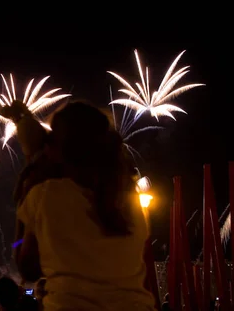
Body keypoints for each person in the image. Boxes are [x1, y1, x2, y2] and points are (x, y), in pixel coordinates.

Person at [10, 101, 156, 310]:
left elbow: (28, 268)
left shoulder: (45, 194)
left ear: (57, 149)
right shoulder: (130, 201)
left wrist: (30, 175)